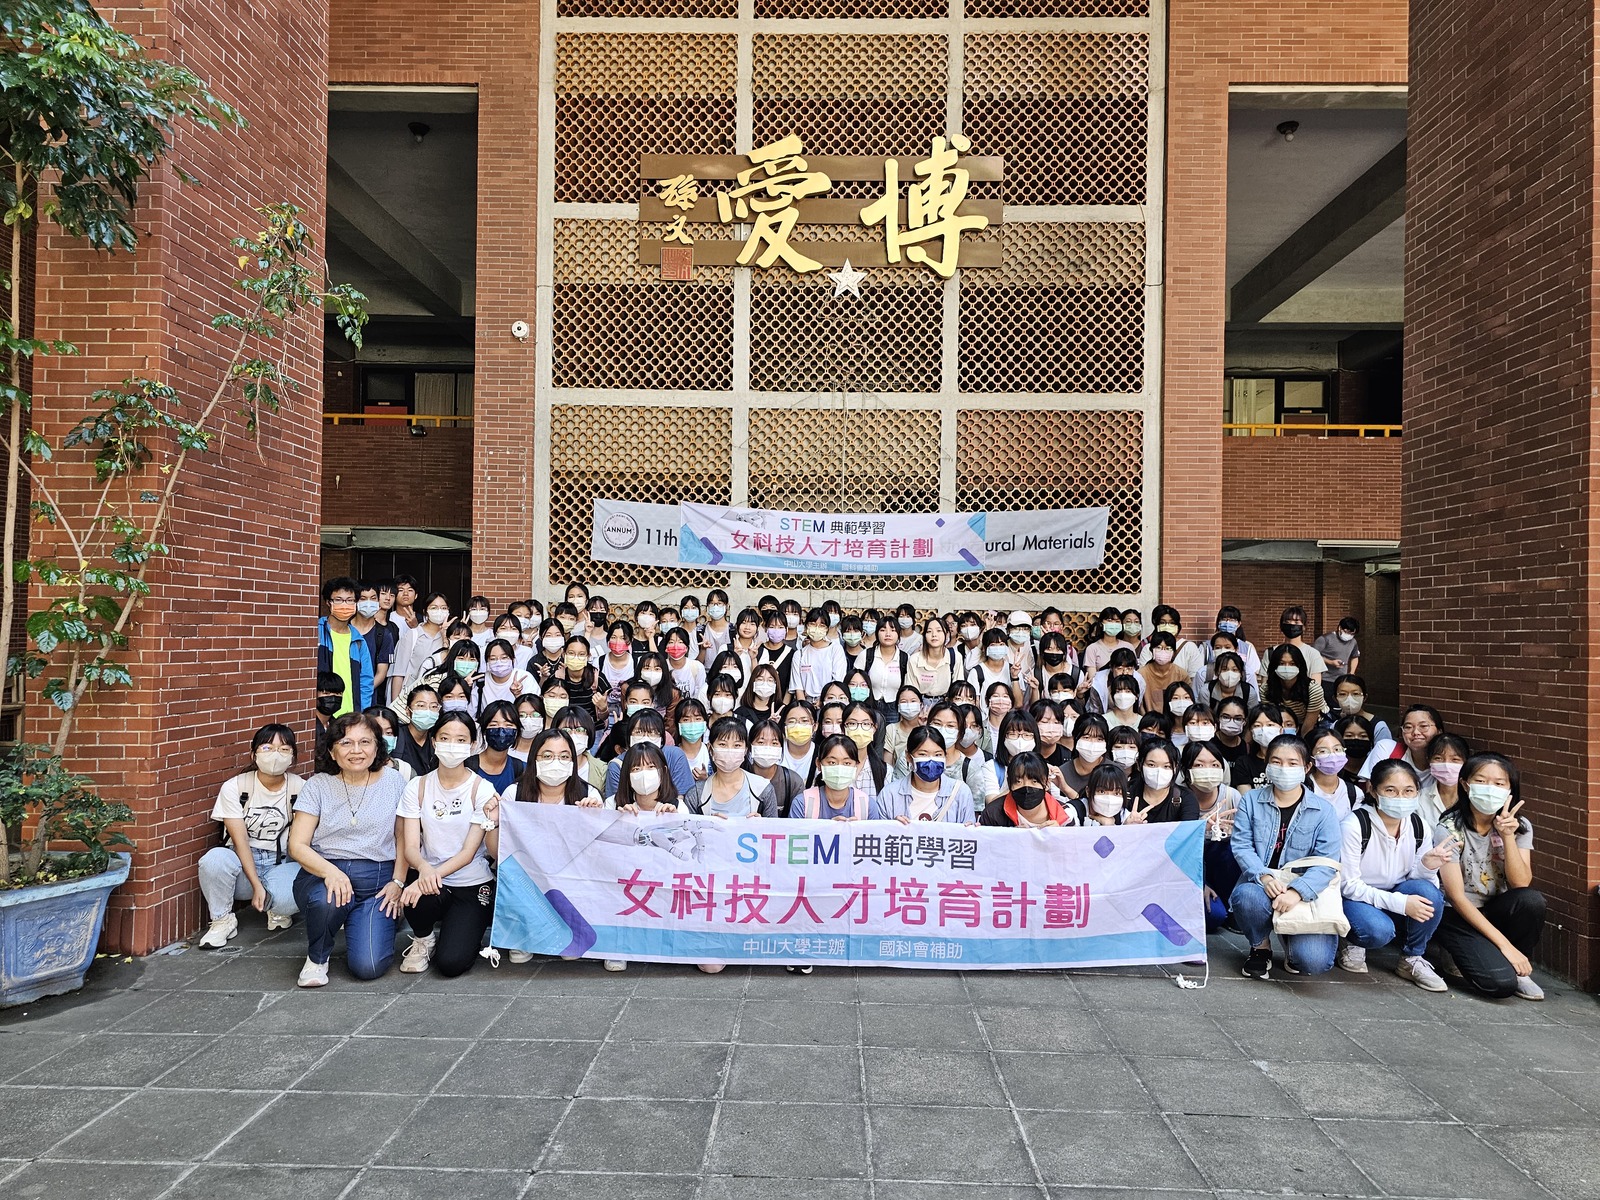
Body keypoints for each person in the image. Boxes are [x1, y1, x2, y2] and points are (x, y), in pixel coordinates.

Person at [289, 712, 408, 987]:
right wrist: (331, 872)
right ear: (331, 750)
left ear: (377, 747)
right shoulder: (317, 785)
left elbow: (404, 839)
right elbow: (297, 844)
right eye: (345, 743)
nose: (356, 751)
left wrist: (398, 882)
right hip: (323, 874)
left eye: (365, 742)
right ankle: (317, 958)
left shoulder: (394, 782)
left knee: (368, 967)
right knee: (327, 901)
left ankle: (364, 920)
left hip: (377, 882)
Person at [1432, 753, 1546, 1000]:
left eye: (1499, 783)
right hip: (1457, 913)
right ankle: (1471, 954)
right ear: (1465, 784)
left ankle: (1519, 973)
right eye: (1481, 781)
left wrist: (1507, 837)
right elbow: (1456, 896)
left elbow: (1520, 884)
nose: (1489, 789)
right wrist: (1506, 947)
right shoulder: (1449, 828)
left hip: (1496, 908)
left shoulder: (1519, 826)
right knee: (1498, 985)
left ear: (1509, 789)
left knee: (1531, 900)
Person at [1230, 733, 1343, 979]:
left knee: (1312, 963)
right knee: (1245, 896)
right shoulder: (1251, 800)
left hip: (1305, 891)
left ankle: (1291, 940)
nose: (1284, 768)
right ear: (1268, 764)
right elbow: (1241, 845)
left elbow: (1327, 863)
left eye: (1293, 763)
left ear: (1307, 767)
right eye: (1276, 762)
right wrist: (1264, 877)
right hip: (1263, 886)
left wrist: (1297, 892)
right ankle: (1260, 947)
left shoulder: (1324, 811)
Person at [1337, 760, 1454, 991]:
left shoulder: (1419, 825)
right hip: (1355, 898)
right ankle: (1350, 940)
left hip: (1396, 894)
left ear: (1417, 793)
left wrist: (1428, 867)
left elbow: (1419, 883)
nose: (1400, 797)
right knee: (1378, 931)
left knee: (1430, 894)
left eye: (1408, 791)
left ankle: (1412, 958)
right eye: (1390, 790)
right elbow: (1347, 885)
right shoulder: (1355, 824)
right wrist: (1400, 903)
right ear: (1373, 790)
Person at [396, 711, 496, 977]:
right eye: (445, 737)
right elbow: (409, 847)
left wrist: (428, 876)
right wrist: (423, 871)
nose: (453, 745)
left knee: (451, 964)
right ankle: (424, 938)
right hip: (431, 881)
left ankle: (461, 934)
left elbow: (467, 853)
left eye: (461, 739)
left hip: (471, 882)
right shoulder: (417, 786)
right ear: (434, 741)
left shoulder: (481, 789)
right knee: (415, 898)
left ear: (473, 745)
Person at [197, 725, 304, 947]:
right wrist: (256, 884)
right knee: (213, 860)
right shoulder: (235, 787)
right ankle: (222, 920)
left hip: (281, 862)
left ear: (293, 756)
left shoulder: (300, 788)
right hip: (242, 866)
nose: (275, 755)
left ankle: (277, 909)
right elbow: (240, 841)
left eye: (284, 749)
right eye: (267, 747)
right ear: (253, 753)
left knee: (296, 888)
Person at [1182, 739, 1241, 931]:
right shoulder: (1179, 798)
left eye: (1214, 764)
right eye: (1199, 765)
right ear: (1187, 770)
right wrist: (1201, 883)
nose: (1208, 769)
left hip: (1225, 872)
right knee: (1213, 917)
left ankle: (1231, 906)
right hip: (1193, 872)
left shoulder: (1232, 796)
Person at [874, 727, 976, 823]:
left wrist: (973, 830)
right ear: (909, 757)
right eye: (923, 754)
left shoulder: (960, 792)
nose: (931, 760)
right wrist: (892, 827)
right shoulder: (889, 794)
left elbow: (969, 837)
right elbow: (878, 835)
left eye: (938, 755)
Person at [683, 718, 779, 819]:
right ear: (710, 749)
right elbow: (687, 831)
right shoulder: (696, 794)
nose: (730, 750)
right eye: (722, 745)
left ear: (746, 750)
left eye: (737, 745)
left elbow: (774, 831)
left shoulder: (763, 789)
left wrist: (762, 826)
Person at [317, 576, 374, 717]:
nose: (345, 605)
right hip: (322, 713)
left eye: (350, 600)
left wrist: (362, 713)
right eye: (338, 600)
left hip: (350, 714)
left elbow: (366, 681)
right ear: (328, 602)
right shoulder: (315, 632)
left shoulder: (358, 641)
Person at [978, 751, 1078, 827]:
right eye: (1018, 782)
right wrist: (1009, 838)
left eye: (1034, 781)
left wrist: (1059, 836)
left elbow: (1072, 850)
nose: (1026, 787)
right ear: (1009, 784)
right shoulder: (993, 814)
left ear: (1047, 783)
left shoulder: (1065, 815)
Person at [789, 733, 871, 819]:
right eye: (832, 762)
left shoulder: (866, 805)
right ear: (819, 764)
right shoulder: (802, 803)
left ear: (856, 765)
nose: (839, 768)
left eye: (847, 763)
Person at [1359, 704, 1443, 780]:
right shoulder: (1387, 749)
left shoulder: (1448, 761)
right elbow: (1372, 789)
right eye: (1408, 727)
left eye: (1423, 726)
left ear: (1439, 731)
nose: (1415, 732)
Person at [1125, 738, 1197, 823]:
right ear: (1139, 764)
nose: (1159, 771)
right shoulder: (1125, 794)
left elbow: (1189, 832)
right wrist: (1126, 827)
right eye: (1151, 765)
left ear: (1175, 768)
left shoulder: (1185, 798)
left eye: (1166, 766)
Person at [746, 719, 806, 816]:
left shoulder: (793, 782)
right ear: (750, 746)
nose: (767, 748)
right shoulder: (739, 778)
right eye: (761, 742)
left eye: (774, 743)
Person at [1263, 643, 1325, 735]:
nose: (1287, 668)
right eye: (1281, 663)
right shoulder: (1266, 689)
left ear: (1300, 666)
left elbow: (1308, 726)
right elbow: (1270, 719)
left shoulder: (1313, 689)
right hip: (1282, 727)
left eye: (1292, 664)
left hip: (1311, 726)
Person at [351, 582, 397, 704]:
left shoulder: (383, 634)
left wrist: (363, 693)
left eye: (373, 598)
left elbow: (381, 673)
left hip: (368, 699)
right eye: (363, 599)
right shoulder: (345, 629)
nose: (368, 603)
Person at [466, 699, 524, 793]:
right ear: (484, 730)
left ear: (517, 731)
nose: (501, 730)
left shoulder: (521, 769)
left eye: (508, 725)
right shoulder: (467, 766)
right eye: (493, 725)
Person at [1306, 727, 1361, 820]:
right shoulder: (1301, 790)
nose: (1332, 755)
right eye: (1323, 751)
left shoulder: (1354, 793)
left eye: (1337, 749)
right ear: (1311, 757)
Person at [1416, 732, 1469, 827]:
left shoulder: (1473, 798)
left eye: (1455, 759)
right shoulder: (1420, 798)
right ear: (1429, 760)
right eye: (1438, 758)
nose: (1446, 765)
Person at [1329, 675, 1391, 742]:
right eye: (1343, 694)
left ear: (1364, 697)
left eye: (1355, 694)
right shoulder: (1335, 726)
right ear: (1335, 699)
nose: (1349, 699)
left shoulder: (1378, 727)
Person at [1314, 616, 1362, 683]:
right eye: (1347, 632)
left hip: (1342, 679)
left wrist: (1352, 672)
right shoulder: (1325, 639)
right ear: (1340, 628)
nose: (1349, 635)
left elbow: (1355, 656)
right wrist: (1330, 662)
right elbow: (1313, 656)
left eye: (1352, 633)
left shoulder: (1353, 642)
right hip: (1324, 679)